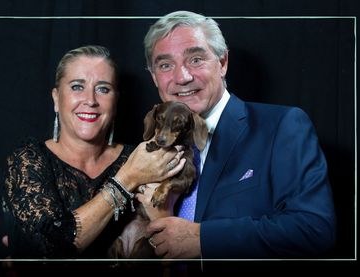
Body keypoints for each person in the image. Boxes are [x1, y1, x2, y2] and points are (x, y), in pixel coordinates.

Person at [139, 11, 336, 259]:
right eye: (165, 65)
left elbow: (315, 229)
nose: (182, 77)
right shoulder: (149, 149)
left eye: (196, 59)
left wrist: (202, 239)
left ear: (222, 63)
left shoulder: (281, 126)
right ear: (154, 77)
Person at [1, 45, 185, 259]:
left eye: (103, 89)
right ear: (56, 98)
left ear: (115, 102)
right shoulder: (28, 159)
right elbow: (46, 250)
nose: (90, 100)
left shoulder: (140, 157)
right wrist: (128, 179)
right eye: (77, 86)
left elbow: (168, 249)